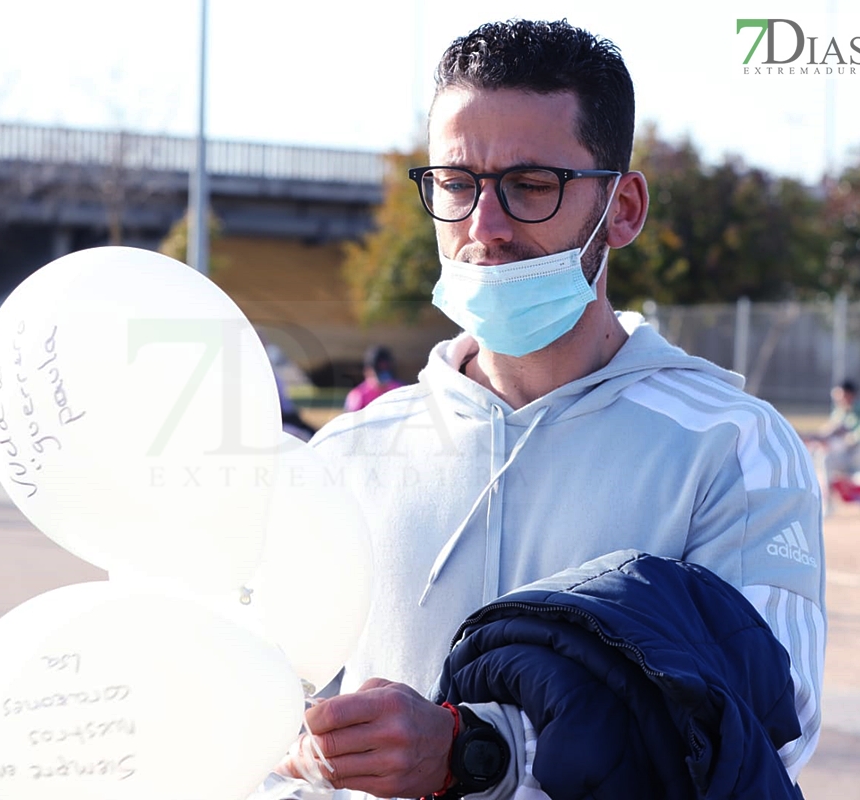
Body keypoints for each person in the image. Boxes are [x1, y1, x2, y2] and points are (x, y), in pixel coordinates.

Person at [276, 18, 824, 799]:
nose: (484, 228)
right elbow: (274, 722)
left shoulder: (732, 448)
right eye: (458, 184)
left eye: (532, 186)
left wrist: (478, 756)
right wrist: (305, 756)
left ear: (623, 209)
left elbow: (770, 725)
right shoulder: (350, 454)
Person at [343, 345, 404, 412]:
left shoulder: (400, 390)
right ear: (367, 371)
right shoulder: (358, 396)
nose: (383, 374)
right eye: (379, 370)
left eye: (386, 369)